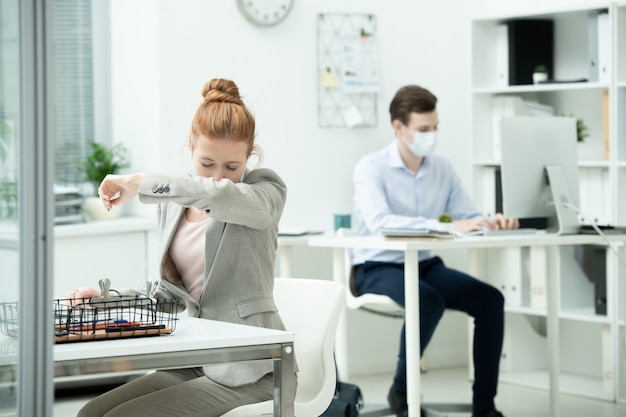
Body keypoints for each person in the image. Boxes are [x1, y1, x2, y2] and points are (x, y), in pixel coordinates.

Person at [68, 78, 292, 417]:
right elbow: (171, 297)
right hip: (193, 360)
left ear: (250, 157)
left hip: (251, 368)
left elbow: (218, 195)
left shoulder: (264, 194)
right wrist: (108, 300)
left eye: (232, 167)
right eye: (206, 164)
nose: (218, 177)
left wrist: (139, 182)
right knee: (90, 413)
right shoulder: (172, 204)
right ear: (190, 148)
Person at [351, 85, 519, 417]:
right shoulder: (371, 167)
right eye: (423, 130)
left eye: (435, 127)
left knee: (490, 300)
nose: (432, 135)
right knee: (427, 299)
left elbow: (465, 217)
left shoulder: (441, 168)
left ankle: (484, 406)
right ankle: (401, 391)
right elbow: (381, 222)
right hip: (376, 267)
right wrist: (446, 225)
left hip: (424, 264)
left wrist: (489, 221)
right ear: (399, 127)